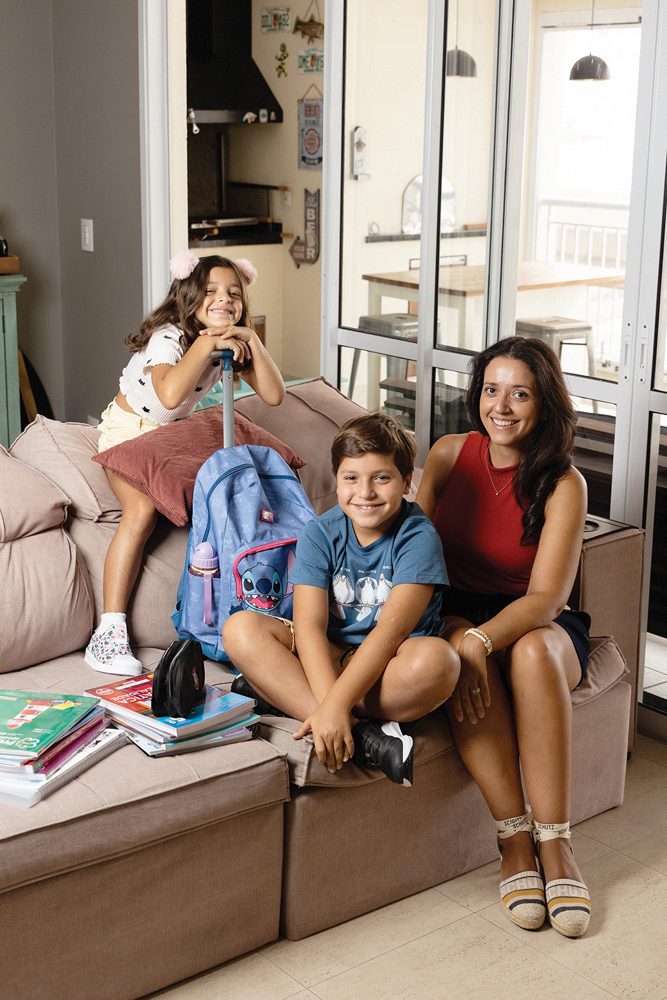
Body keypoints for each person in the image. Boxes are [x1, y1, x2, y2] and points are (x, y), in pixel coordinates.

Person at [416, 336, 592, 938]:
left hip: (535, 619)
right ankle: (513, 840)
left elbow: (547, 598)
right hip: (455, 608)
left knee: (531, 650)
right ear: (477, 395)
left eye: (521, 393)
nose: (503, 406)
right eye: (493, 390)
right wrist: (460, 633)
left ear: (545, 403)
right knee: (463, 655)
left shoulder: (564, 483)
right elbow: (408, 551)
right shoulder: (445, 455)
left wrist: (482, 638)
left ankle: (557, 845)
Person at [223, 413, 460, 784]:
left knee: (439, 662)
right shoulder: (320, 532)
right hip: (331, 654)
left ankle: (284, 694)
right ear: (337, 481)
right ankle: (364, 737)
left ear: (406, 482)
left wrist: (333, 704)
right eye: (351, 478)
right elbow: (310, 628)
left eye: (381, 478)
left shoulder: (418, 537)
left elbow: (388, 635)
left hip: (390, 663)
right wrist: (334, 709)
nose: (365, 493)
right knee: (240, 628)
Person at [85, 252, 285, 676]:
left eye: (234, 294)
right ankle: (108, 631)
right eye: (211, 291)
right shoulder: (169, 337)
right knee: (140, 511)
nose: (224, 300)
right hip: (129, 431)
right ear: (189, 296)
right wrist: (207, 343)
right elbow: (169, 399)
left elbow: (274, 395)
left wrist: (252, 338)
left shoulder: (228, 337)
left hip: (167, 440)